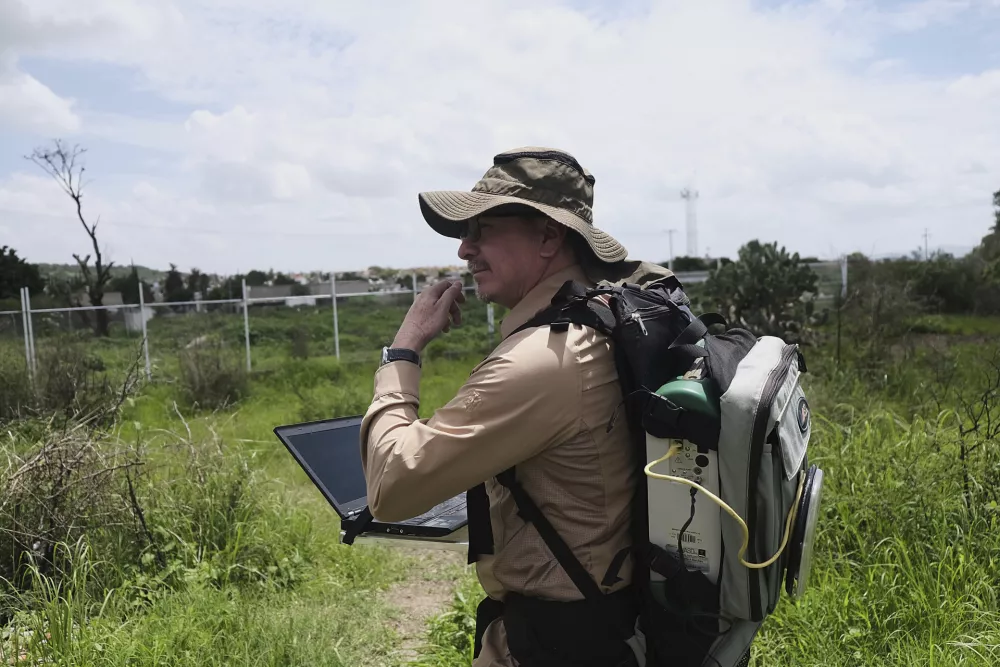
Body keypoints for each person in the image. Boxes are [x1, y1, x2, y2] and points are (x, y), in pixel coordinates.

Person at [361, 147, 670, 666]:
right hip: (607, 624)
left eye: (483, 229)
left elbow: (391, 489)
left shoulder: (545, 359)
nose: (465, 250)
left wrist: (404, 350)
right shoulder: (603, 320)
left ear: (549, 236)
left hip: (556, 644)